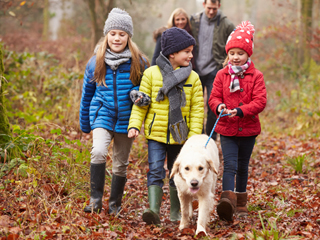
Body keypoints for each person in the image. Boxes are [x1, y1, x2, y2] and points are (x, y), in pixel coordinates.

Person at [128, 27, 204, 224]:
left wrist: (194, 138)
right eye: (186, 51)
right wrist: (134, 125)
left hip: (181, 136)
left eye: (191, 51)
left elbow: (197, 110)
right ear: (172, 53)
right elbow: (141, 103)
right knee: (155, 170)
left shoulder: (193, 77)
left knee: (176, 172)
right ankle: (153, 210)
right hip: (156, 133)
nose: (190, 55)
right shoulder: (151, 74)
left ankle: (176, 213)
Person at [79, 8, 150, 215]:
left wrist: (139, 96)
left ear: (128, 36)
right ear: (106, 34)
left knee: (120, 164)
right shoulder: (95, 62)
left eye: (122, 34)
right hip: (102, 114)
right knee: (99, 151)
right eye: (113, 33)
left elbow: (147, 92)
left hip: (127, 119)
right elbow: (87, 95)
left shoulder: (140, 62)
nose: (117, 38)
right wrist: (85, 123)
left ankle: (114, 205)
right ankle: (95, 200)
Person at [208, 21, 267, 222]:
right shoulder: (221, 75)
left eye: (240, 53)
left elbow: (260, 101)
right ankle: (227, 201)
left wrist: (241, 111)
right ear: (227, 54)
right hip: (227, 129)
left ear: (248, 55)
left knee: (242, 166)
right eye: (232, 53)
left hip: (249, 129)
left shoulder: (256, 76)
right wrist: (219, 107)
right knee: (230, 165)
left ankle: (241, 203)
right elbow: (213, 97)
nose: (235, 57)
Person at [190, 0, 235, 140]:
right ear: (204, 5)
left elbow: (236, 43)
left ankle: (210, 137)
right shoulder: (194, 21)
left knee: (213, 105)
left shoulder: (226, 24)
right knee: (194, 105)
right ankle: (197, 136)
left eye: (214, 9)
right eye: (209, 8)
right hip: (195, 69)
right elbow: (179, 29)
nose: (211, 11)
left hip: (214, 70)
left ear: (219, 7)